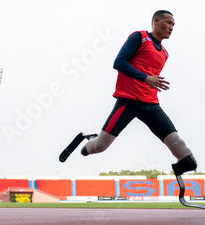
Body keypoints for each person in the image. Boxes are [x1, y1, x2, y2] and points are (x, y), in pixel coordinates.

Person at [80, 10, 197, 176]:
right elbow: (119, 62)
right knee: (100, 146)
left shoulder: (164, 53)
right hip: (128, 102)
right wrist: (145, 78)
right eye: (169, 22)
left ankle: (181, 167)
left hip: (151, 105)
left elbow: (149, 74)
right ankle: (90, 141)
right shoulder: (140, 37)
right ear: (156, 21)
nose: (171, 27)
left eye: (173, 25)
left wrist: (149, 81)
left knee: (186, 157)